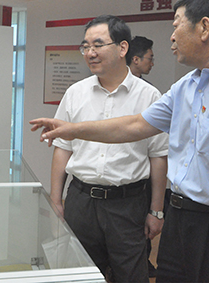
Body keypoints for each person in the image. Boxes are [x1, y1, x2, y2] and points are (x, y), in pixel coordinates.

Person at [32, 0, 209, 283]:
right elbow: (134, 126)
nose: (171, 37)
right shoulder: (187, 85)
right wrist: (72, 129)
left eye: (177, 25)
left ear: (204, 27)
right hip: (180, 221)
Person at [50, 15, 167, 283]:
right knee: (79, 275)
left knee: (131, 275)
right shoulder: (75, 93)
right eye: (85, 46)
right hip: (81, 201)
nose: (90, 53)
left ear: (123, 48)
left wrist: (156, 211)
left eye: (98, 44)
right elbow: (62, 148)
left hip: (128, 204)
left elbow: (158, 156)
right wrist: (56, 200)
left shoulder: (149, 96)